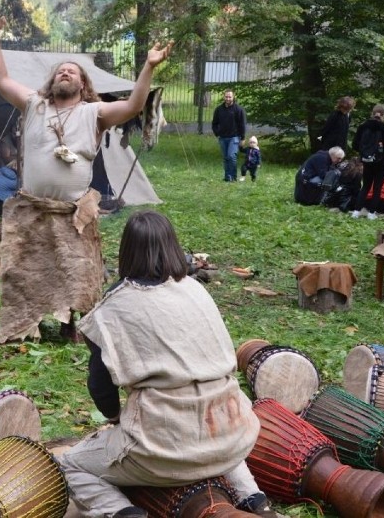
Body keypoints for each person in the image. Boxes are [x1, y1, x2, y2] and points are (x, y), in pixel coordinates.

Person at [59, 211, 280, 518]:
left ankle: (124, 513)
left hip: (161, 448)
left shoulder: (112, 308)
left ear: (127, 252)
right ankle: (254, 498)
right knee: (215, 438)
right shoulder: (195, 289)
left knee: (72, 464)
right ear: (173, 247)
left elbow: (101, 388)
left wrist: (114, 418)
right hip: (233, 431)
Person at [0, 4, 172, 344]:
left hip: (73, 213)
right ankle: (28, 324)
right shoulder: (34, 104)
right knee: (25, 270)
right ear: (52, 82)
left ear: (84, 84)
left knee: (78, 271)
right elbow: (0, 79)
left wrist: (148, 67)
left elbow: (133, 107)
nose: (64, 73)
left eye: (72, 71)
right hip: (32, 210)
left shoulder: (93, 113)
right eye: (60, 71)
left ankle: (74, 326)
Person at [350, 104, 384, 219]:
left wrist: (364, 153)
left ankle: (356, 211)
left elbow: (355, 145)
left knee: (365, 186)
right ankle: (371, 213)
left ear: (372, 113)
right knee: (377, 188)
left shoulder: (363, 127)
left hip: (367, 161)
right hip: (381, 162)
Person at [212, 89, 247, 182]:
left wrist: (243, 138)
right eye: (226, 96)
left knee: (231, 156)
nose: (228, 98)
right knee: (226, 158)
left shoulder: (239, 109)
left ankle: (233, 177)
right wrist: (217, 133)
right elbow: (214, 123)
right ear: (224, 97)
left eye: (230, 97)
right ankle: (227, 177)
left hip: (234, 137)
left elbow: (242, 124)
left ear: (233, 97)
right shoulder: (219, 109)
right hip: (223, 138)